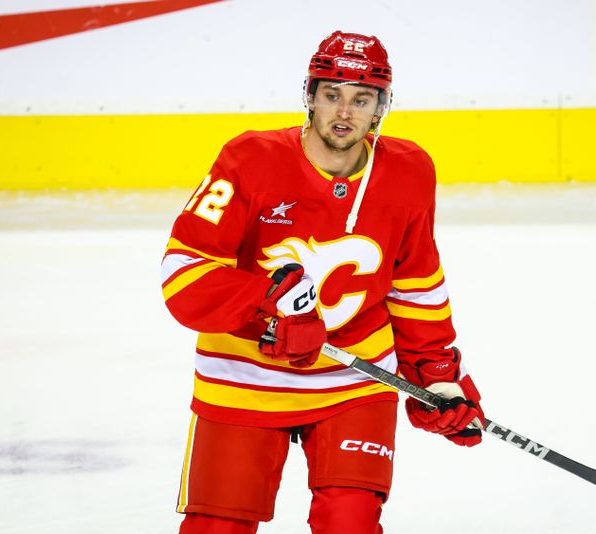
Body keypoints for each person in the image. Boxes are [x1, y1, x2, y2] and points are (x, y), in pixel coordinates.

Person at [160, 30, 485, 534]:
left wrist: (435, 371)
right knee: (216, 528)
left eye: (362, 99)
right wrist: (270, 305)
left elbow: (415, 280)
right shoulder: (250, 160)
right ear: (309, 95)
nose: (344, 112)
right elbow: (183, 276)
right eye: (332, 94)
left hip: (355, 380)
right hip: (244, 376)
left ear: (382, 107)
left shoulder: (408, 170)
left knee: (349, 525)